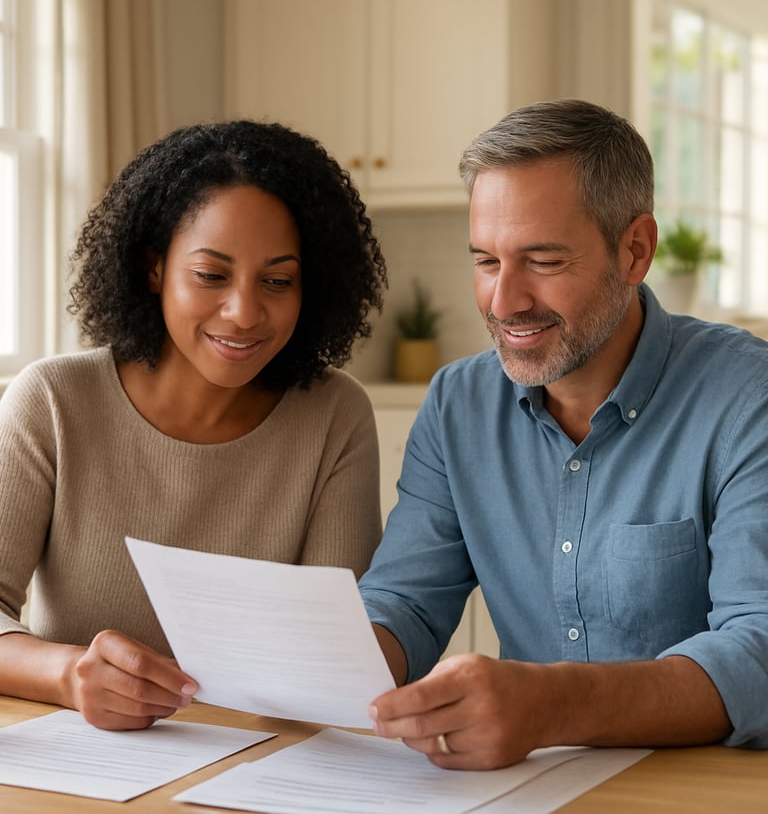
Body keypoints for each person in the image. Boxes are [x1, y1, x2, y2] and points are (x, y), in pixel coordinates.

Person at [359, 98, 768, 770]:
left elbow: (760, 647)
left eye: (543, 261)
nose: (504, 302)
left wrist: (551, 705)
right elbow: (404, 601)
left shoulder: (748, 398)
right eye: (486, 261)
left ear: (635, 250)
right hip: (526, 788)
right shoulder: (457, 404)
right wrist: (307, 666)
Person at [0, 119, 387, 730]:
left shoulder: (335, 416)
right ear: (154, 268)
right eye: (211, 275)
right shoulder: (52, 401)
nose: (244, 312)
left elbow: (333, 658)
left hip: (260, 756)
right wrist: (68, 674)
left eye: (277, 281)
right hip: (76, 759)